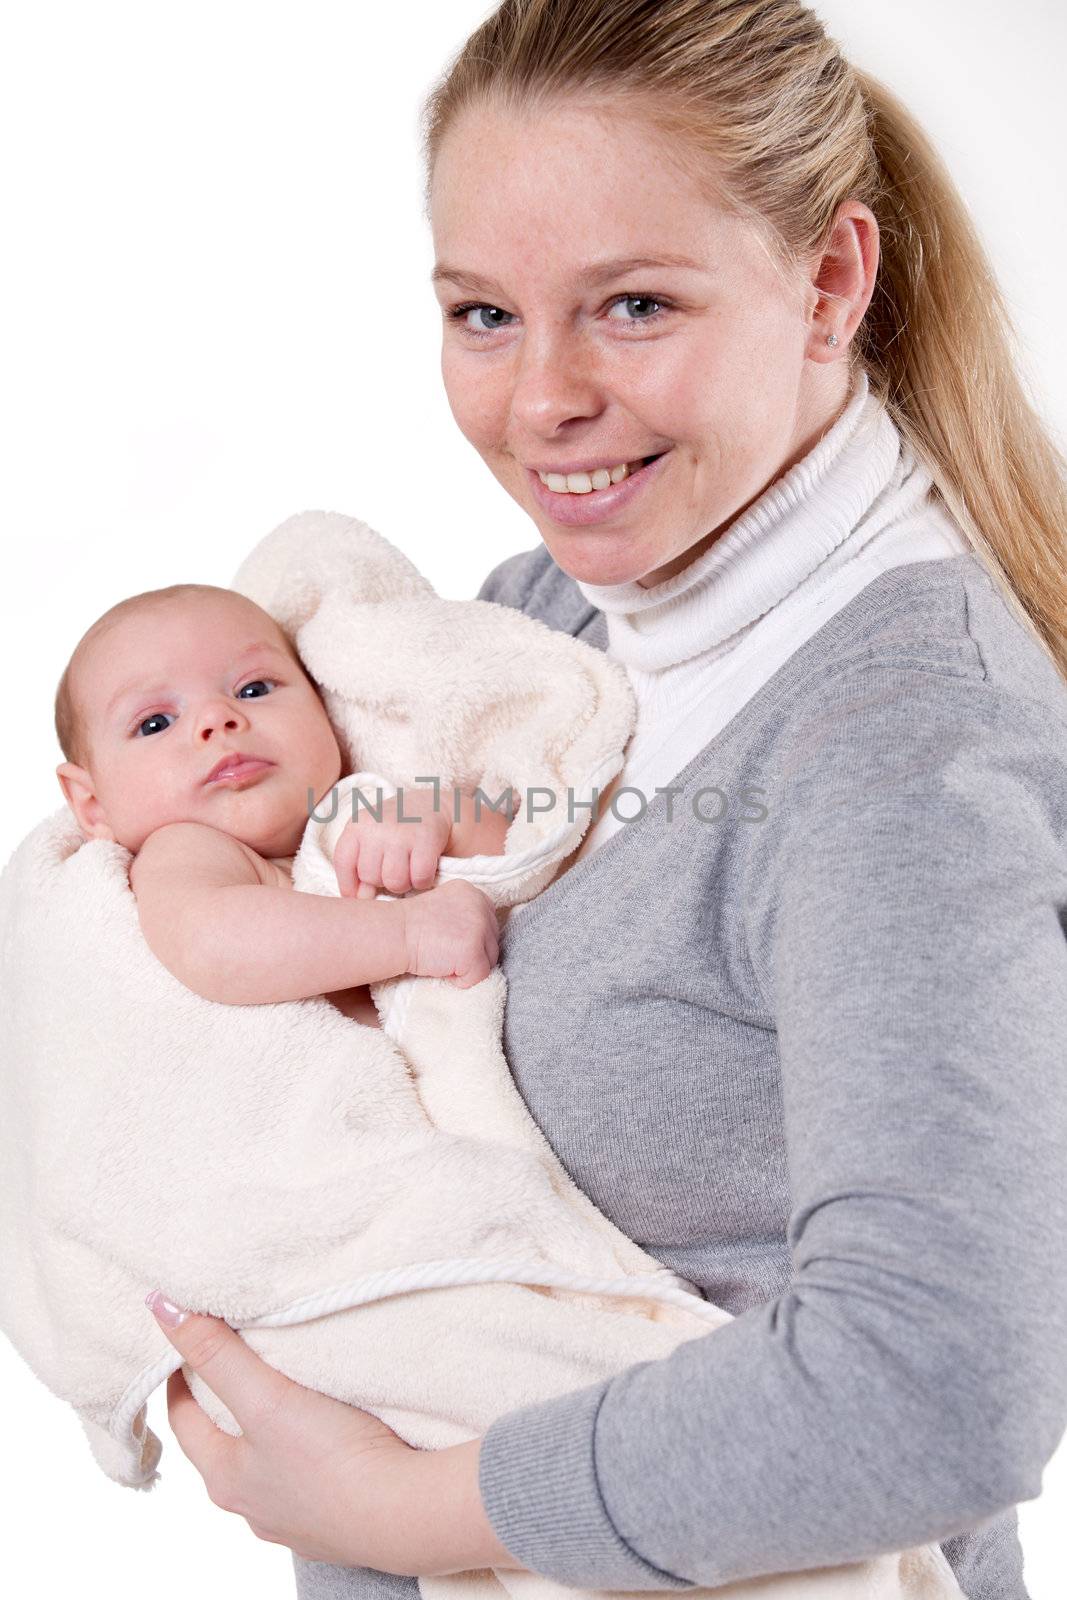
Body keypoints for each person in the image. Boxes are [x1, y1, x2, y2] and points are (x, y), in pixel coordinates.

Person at [142, 3, 1067, 1598]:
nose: (540, 401)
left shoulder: (900, 754)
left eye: (631, 306)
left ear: (828, 284)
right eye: (482, 313)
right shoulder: (538, 631)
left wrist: (388, 1511)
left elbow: (940, 1388)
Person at [53, 582, 506, 1019]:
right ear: (93, 805)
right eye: (155, 723)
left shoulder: (362, 802)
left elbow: (530, 861)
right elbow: (213, 943)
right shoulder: (181, 851)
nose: (217, 718)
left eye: (254, 690)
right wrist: (408, 934)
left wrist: (443, 816)